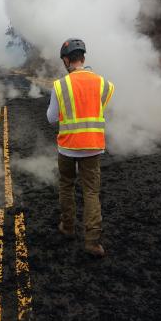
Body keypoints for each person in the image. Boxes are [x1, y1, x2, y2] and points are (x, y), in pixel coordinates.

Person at [47, 38, 114, 257]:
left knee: (67, 185)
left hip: (67, 147)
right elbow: (99, 108)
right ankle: (93, 242)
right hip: (93, 147)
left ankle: (67, 227)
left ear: (67, 60)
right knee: (91, 192)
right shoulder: (103, 83)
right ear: (83, 58)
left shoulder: (60, 85)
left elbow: (50, 118)